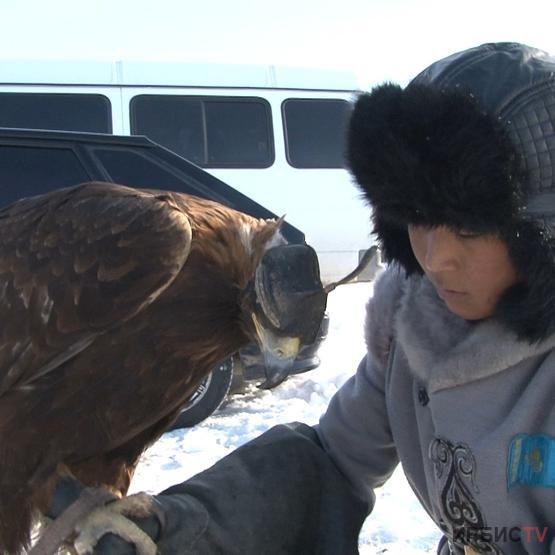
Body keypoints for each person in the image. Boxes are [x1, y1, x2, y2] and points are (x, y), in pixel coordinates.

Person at [54, 42, 555, 555]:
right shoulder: (413, 319)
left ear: (542, 233)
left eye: (468, 228)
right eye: (419, 218)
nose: (434, 257)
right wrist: (188, 526)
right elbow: (333, 459)